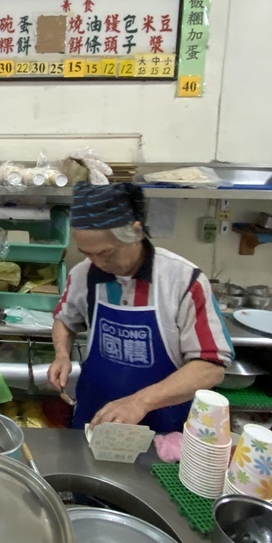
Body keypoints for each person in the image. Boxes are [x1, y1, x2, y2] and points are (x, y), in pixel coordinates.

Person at [47, 182, 232, 432]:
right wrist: (61, 354)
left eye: (106, 253)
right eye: (87, 254)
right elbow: (65, 319)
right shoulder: (84, 275)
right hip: (94, 422)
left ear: (135, 232)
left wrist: (140, 402)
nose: (97, 263)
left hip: (164, 432)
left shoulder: (183, 280)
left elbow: (211, 367)